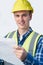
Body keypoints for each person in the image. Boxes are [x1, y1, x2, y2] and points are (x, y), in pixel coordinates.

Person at [5, 0, 43, 65]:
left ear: (30, 16)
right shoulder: (7, 37)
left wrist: (26, 57)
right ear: (14, 17)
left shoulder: (40, 40)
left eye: (24, 15)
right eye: (17, 16)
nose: (21, 19)